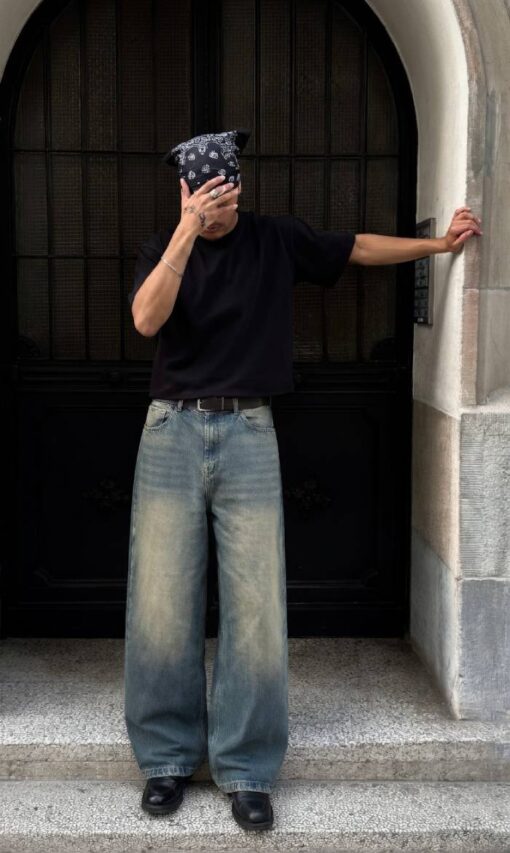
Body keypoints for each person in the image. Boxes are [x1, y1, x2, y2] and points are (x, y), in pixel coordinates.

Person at [123, 129, 482, 831]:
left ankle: (247, 768)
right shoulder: (163, 247)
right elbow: (145, 318)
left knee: (256, 604)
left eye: (224, 195)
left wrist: (439, 247)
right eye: (202, 196)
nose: (216, 209)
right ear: (184, 191)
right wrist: (187, 233)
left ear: (239, 188)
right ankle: (166, 758)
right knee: (161, 599)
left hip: (250, 429)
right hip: (171, 429)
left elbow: (357, 248)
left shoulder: (275, 239)